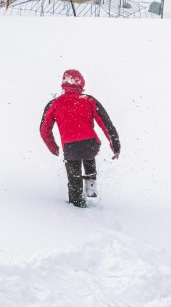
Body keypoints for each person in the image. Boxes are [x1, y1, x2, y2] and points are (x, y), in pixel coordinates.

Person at [40, 69, 121, 208]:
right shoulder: (88, 100)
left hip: (70, 148)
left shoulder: (54, 104)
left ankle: (77, 204)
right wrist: (115, 146)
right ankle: (91, 191)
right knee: (89, 158)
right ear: (81, 83)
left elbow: (44, 129)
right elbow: (106, 124)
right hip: (90, 145)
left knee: (74, 178)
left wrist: (52, 146)